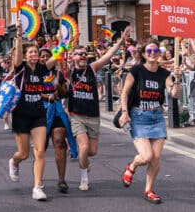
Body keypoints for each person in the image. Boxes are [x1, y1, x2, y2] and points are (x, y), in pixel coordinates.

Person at [119, 39, 182, 204]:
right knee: (146, 156)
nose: (152, 53)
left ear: (159, 53)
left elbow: (174, 94)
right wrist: (125, 112)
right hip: (139, 117)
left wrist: (178, 77)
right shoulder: (137, 70)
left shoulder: (164, 74)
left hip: (157, 118)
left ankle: (149, 190)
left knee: (156, 158)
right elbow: (124, 92)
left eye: (155, 51)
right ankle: (132, 165)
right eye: (149, 51)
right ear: (144, 54)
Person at [67, 27, 130, 191]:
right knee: (84, 147)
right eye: (79, 54)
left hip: (93, 116)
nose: (82, 56)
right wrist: (62, 46)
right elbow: (57, 61)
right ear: (73, 57)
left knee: (92, 152)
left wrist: (121, 41)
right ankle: (84, 178)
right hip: (76, 115)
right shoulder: (69, 72)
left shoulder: (92, 68)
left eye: (84, 53)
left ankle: (85, 163)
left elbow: (108, 55)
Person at [7, 22, 58, 201]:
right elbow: (18, 55)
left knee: (40, 152)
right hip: (21, 115)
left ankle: (37, 186)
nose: (34, 55)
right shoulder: (20, 68)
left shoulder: (42, 69)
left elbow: (56, 57)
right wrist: (20, 35)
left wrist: (63, 43)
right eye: (31, 52)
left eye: (36, 52)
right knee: (24, 154)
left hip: (38, 114)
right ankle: (14, 162)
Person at [38, 48, 75, 193]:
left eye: (48, 56)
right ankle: (38, 179)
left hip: (57, 110)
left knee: (59, 141)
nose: (45, 58)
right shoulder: (36, 73)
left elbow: (66, 93)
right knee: (41, 147)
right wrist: (47, 97)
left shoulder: (58, 73)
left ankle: (61, 180)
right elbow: (32, 91)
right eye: (43, 56)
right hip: (40, 111)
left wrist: (60, 87)